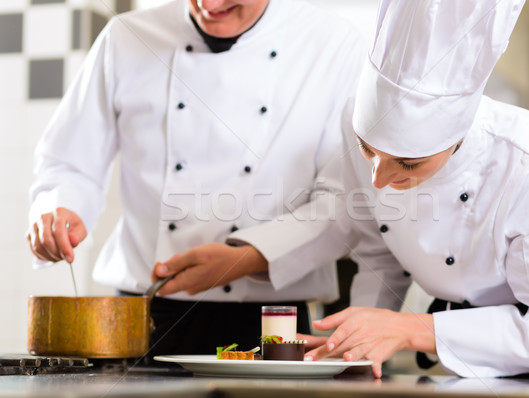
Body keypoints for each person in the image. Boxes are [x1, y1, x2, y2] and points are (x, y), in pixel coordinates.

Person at [27, 0, 363, 356]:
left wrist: (246, 257)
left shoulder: (333, 43)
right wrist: (60, 207)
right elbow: (68, 161)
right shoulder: (126, 36)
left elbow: (343, 198)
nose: (210, 5)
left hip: (271, 320)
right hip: (141, 314)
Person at [304, 0, 529, 379]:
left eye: (408, 164)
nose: (378, 179)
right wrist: (354, 350)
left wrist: (411, 329)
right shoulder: (353, 122)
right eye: (367, 150)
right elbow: (380, 252)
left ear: (457, 136)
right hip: (454, 364)